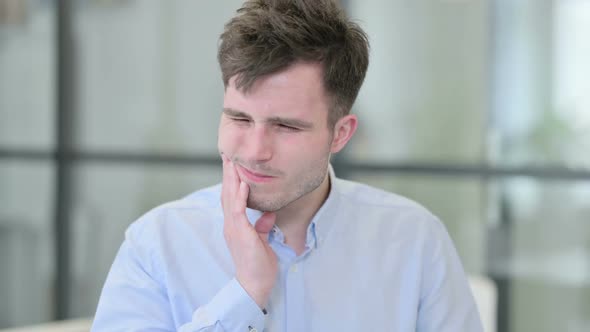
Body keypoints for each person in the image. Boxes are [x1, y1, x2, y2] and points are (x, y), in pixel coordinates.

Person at [92, 0, 483, 331]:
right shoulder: (155, 246)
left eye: (286, 126)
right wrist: (245, 293)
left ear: (340, 134)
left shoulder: (415, 241)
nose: (256, 150)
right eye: (240, 119)